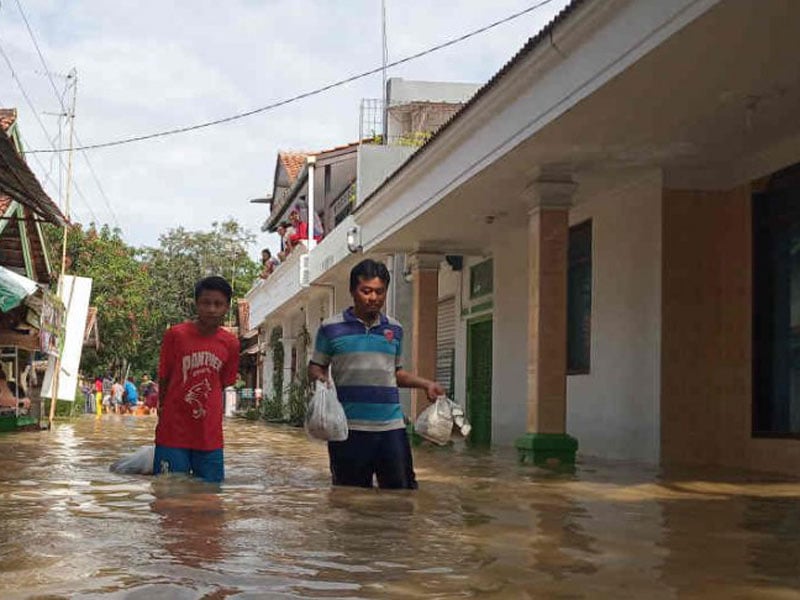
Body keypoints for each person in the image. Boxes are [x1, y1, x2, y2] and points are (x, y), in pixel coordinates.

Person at [308, 258, 445, 489]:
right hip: (347, 430)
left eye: (380, 292)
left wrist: (426, 385)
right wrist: (321, 379)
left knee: (402, 496)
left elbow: (395, 373)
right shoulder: (330, 328)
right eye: (366, 291)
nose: (373, 297)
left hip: (391, 428)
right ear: (353, 291)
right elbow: (315, 366)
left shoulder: (395, 329)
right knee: (349, 497)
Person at [153, 275, 240, 483]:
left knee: (210, 495)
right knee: (168, 491)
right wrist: (162, 408)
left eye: (218, 304)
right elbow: (164, 376)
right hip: (173, 431)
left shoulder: (231, 343)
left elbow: (225, 381)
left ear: (227, 307)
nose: (211, 309)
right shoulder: (175, 335)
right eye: (205, 303)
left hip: (209, 434)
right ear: (196, 304)